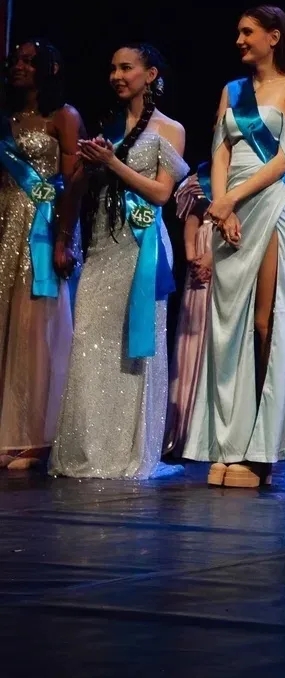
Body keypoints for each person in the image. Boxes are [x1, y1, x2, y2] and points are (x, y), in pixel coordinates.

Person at [183, 5, 285, 489]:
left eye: (248, 32)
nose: (239, 40)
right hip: (229, 209)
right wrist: (222, 205)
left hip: (268, 203)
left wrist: (233, 198)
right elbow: (219, 150)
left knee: (264, 323)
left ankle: (261, 454)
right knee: (227, 327)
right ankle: (227, 444)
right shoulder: (231, 90)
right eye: (237, 32)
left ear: (273, 37)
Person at [50, 45, 187, 478]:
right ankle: (90, 450)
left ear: (151, 74)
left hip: (142, 249)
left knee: (135, 348)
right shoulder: (106, 125)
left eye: (126, 67)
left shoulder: (170, 129)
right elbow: (80, 187)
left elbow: (161, 193)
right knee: (90, 343)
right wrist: (88, 168)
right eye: (112, 68)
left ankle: (128, 452)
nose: (117, 75)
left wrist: (111, 162)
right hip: (102, 245)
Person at [0, 41, 81, 472]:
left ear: (49, 69)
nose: (19, 66)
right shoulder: (6, 120)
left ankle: (34, 435)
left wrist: (64, 238)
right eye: (15, 60)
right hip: (5, 223)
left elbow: (73, 182)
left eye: (29, 62)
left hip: (42, 228)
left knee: (35, 327)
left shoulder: (63, 116)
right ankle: (6, 430)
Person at [163, 162, 212, 456]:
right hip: (199, 268)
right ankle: (186, 429)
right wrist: (193, 258)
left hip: (228, 255)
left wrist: (212, 258)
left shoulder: (249, 172)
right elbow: (192, 220)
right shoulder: (202, 177)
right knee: (194, 339)